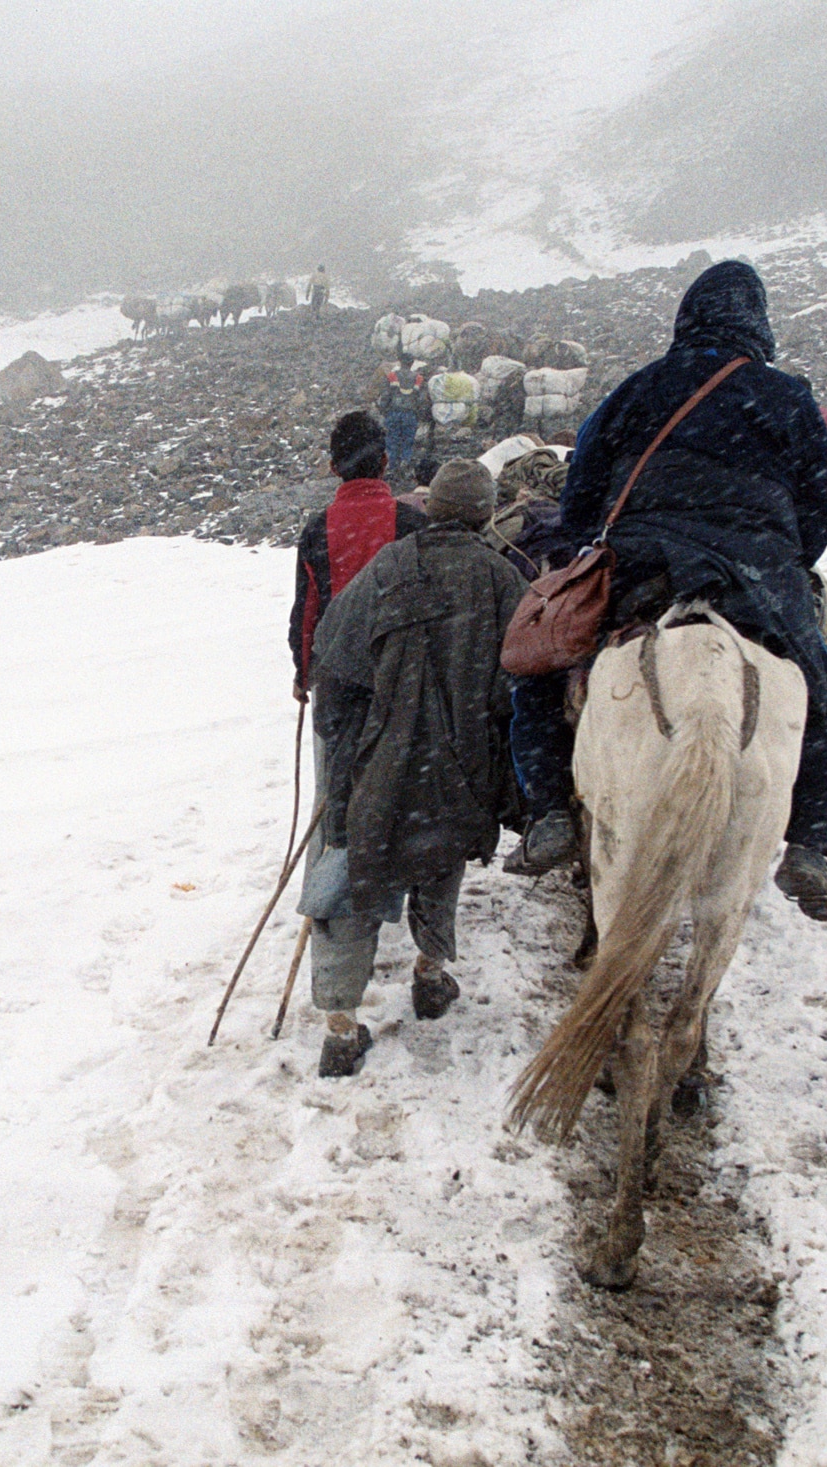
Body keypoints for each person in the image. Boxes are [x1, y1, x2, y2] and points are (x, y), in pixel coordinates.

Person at [503, 260, 827, 923]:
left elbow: (581, 493)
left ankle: (549, 811)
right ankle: (808, 842)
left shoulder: (639, 389)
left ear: (686, 318)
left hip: (645, 564)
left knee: (540, 674)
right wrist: (779, 555)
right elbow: (824, 499)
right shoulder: (787, 397)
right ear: (759, 322)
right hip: (758, 577)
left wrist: (599, 533)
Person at [299, 461, 530, 1077]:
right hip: (458, 761)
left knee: (350, 870)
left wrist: (347, 752)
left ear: (432, 510)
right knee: (440, 855)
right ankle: (430, 976)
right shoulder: (504, 577)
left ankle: (341, 1031)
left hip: (382, 758)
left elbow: (335, 659)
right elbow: (518, 687)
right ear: (485, 515)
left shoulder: (389, 567)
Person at [290, 411, 428, 701]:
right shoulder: (414, 523)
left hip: (337, 675)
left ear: (333, 468)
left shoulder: (317, 529)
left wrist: (303, 675)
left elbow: (306, 613)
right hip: (402, 674)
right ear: (385, 461)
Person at [376, 354, 426, 483]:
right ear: (412, 363)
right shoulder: (418, 378)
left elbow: (386, 395)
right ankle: (406, 462)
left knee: (392, 440)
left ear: (400, 362)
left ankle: (393, 466)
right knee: (408, 440)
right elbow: (421, 399)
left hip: (394, 413)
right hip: (410, 414)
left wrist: (383, 409)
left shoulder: (392, 376)